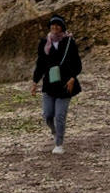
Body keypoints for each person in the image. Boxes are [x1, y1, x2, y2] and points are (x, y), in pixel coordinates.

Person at [31, 15, 82, 154]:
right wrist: (35, 82)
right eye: (52, 25)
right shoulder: (44, 43)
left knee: (60, 115)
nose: (54, 27)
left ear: (62, 27)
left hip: (66, 84)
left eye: (58, 25)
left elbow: (77, 64)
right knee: (47, 114)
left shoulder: (69, 42)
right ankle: (54, 131)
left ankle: (59, 144)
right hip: (49, 84)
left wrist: (73, 78)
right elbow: (40, 64)